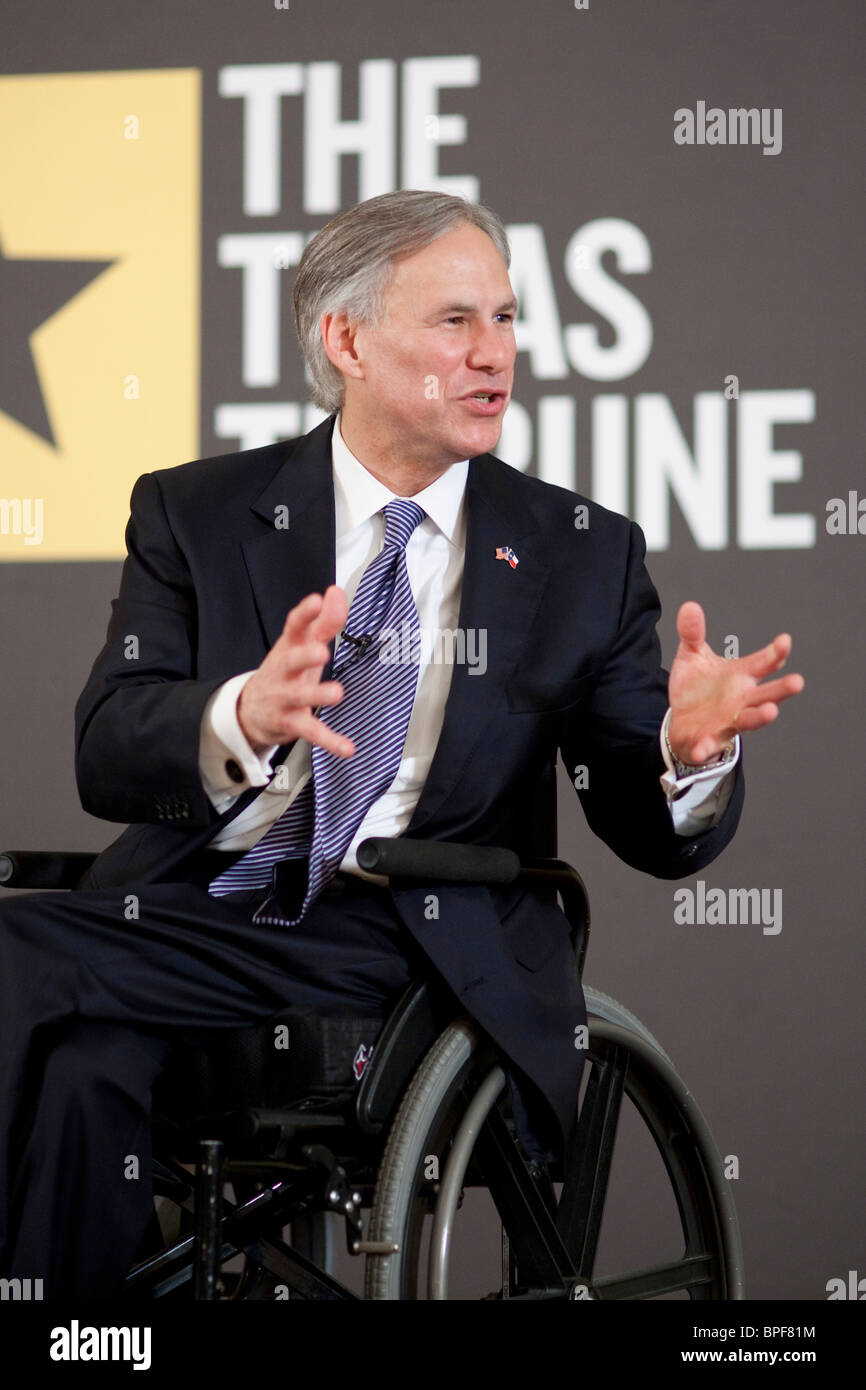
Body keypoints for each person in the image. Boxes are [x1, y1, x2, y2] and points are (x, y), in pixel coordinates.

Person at [0, 189, 803, 1298]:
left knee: (17, 953)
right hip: (205, 907)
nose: (495, 356)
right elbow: (107, 750)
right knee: (87, 1071)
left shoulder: (577, 554)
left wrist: (682, 748)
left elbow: (640, 823)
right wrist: (240, 714)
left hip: (411, 928)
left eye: (508, 320)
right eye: (455, 322)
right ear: (345, 341)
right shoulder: (198, 510)